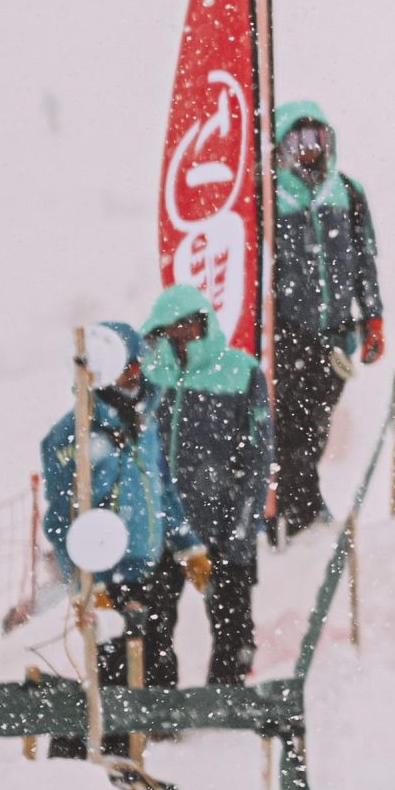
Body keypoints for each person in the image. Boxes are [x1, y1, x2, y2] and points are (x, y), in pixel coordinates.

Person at [40, 322, 213, 757]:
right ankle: (90, 761)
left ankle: (142, 750)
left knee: (153, 656)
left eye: (137, 362)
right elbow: (60, 521)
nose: (133, 374)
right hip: (106, 576)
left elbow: (162, 489)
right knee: (110, 673)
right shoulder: (72, 435)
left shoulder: (146, 418)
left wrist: (186, 543)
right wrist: (84, 581)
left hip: (151, 564)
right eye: (123, 366)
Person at [140, 285, 272, 684]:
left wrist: (243, 529)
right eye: (171, 328)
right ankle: (156, 707)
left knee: (231, 624)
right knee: (153, 623)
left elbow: (258, 457)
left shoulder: (242, 371)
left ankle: (225, 704)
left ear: (204, 323)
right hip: (161, 527)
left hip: (224, 520)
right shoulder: (147, 377)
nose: (181, 334)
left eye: (189, 324)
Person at [267, 101, 385, 543]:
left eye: (318, 140)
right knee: (290, 426)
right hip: (286, 333)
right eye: (298, 141)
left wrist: (373, 317)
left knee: (318, 422)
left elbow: (365, 260)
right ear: (281, 146)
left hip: (335, 333)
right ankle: (300, 510)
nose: (309, 151)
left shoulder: (347, 193)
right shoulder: (268, 196)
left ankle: (297, 504)